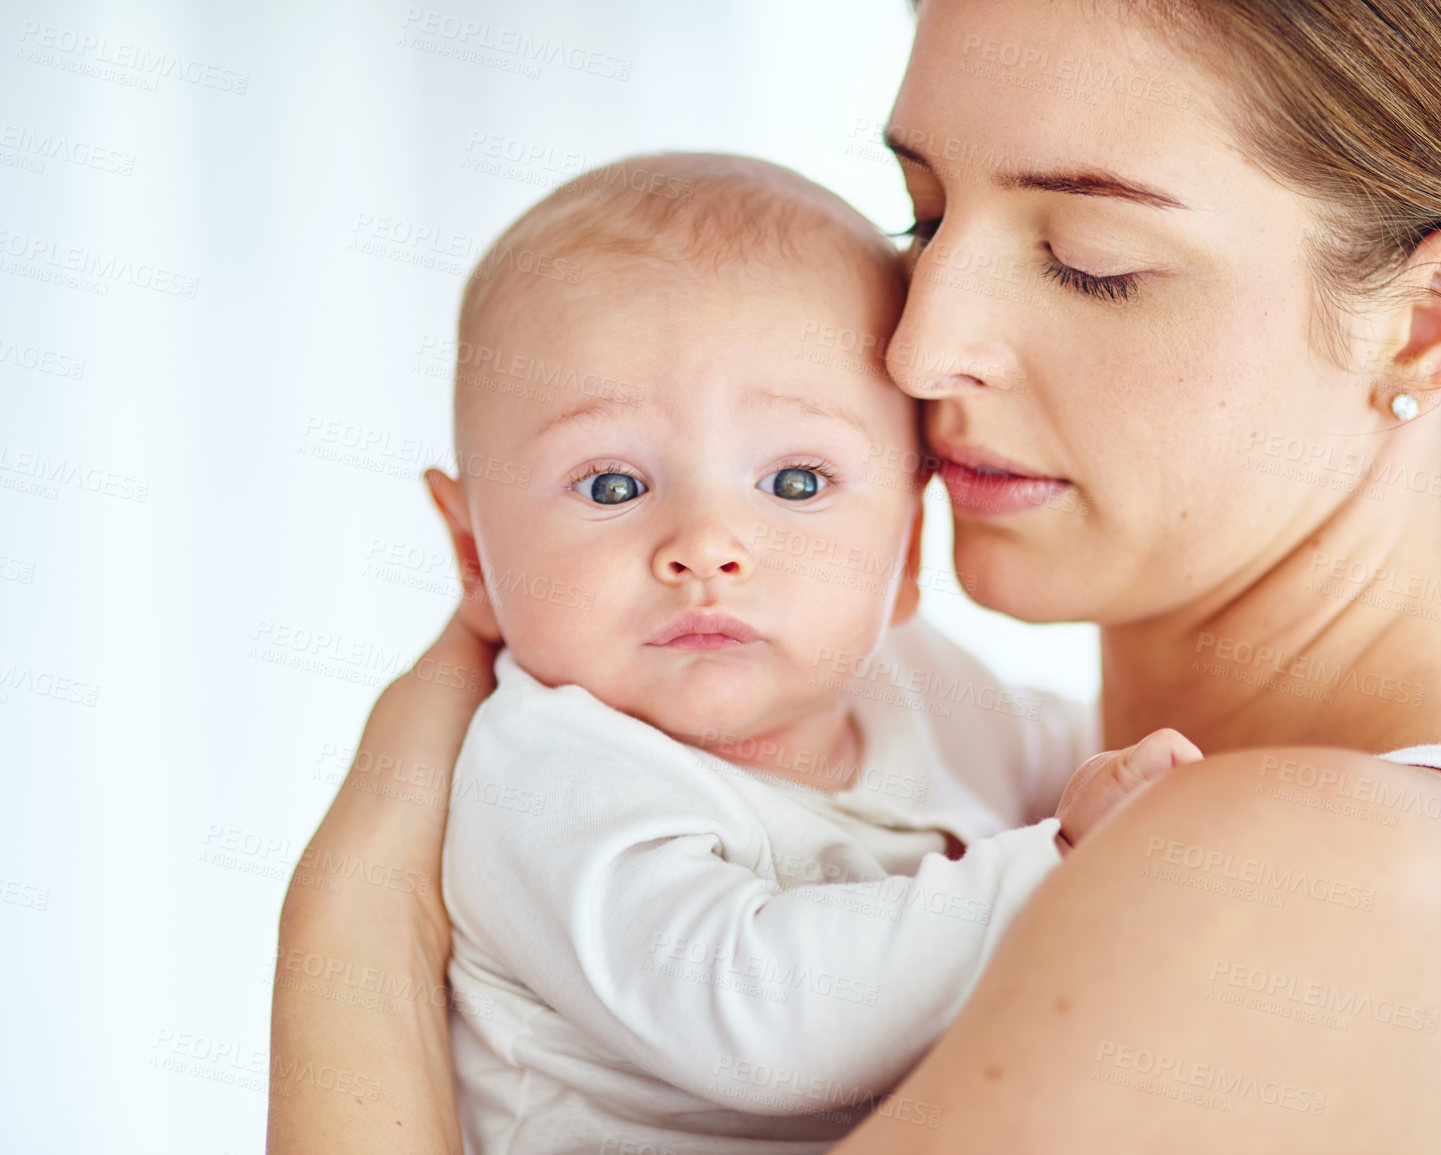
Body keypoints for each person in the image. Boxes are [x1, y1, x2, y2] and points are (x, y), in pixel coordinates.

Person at [268, 1, 1441, 1152]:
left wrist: (358, 914)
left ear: (1424, 320)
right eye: (922, 213)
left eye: (1088, 257)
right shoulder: (1039, 775)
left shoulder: (1333, 878)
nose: (916, 346)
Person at [426, 150, 1194, 1154]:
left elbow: (1069, 759)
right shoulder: (549, 771)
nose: (707, 546)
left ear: (908, 550)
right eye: (611, 485)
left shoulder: (920, 682)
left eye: (795, 482)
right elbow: (760, 1020)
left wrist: (1147, 789)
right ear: (474, 555)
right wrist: (1058, 866)